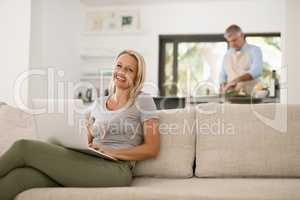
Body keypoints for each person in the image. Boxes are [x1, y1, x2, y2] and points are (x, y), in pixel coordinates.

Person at [0, 50, 160, 200]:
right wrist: (78, 138)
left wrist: (110, 151)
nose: (121, 72)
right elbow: (87, 138)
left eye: (129, 69)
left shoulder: (143, 101)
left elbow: (152, 148)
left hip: (116, 168)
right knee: (21, 177)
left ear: (137, 76)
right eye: (119, 66)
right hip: (88, 160)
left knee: (23, 148)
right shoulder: (98, 103)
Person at [219, 24, 263, 95]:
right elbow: (222, 75)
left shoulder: (255, 50)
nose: (232, 44)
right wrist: (223, 85)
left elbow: (257, 71)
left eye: (234, 40)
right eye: (229, 41)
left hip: (252, 97)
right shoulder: (227, 55)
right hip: (232, 98)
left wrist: (236, 81)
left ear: (242, 35)